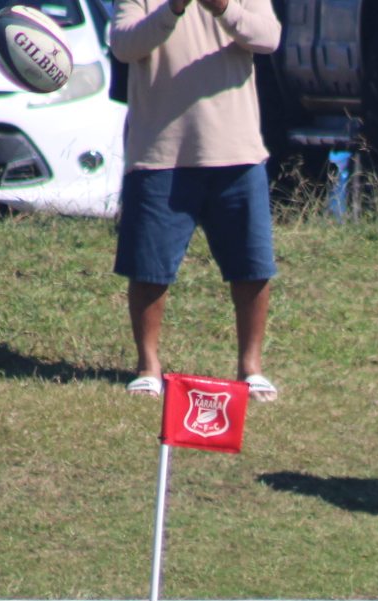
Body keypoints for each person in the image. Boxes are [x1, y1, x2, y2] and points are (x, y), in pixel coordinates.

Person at [111, 0, 282, 400]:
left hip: (236, 150)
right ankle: (148, 367)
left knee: (252, 266)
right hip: (160, 152)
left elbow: (268, 38)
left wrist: (223, 9)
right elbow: (124, 46)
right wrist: (173, 9)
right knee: (149, 268)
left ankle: (251, 368)